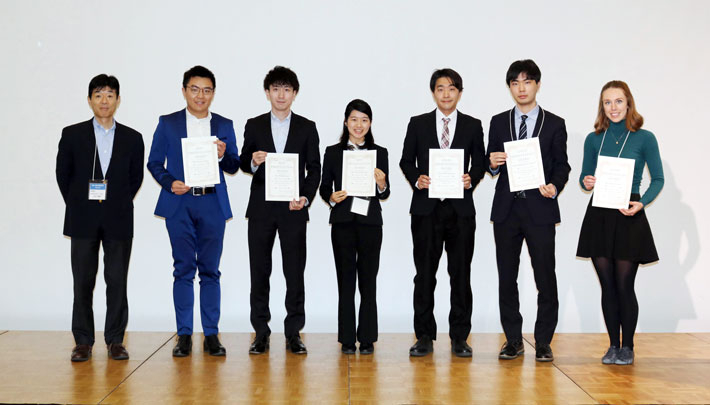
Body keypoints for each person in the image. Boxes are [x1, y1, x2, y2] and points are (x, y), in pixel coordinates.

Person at [147, 65, 239, 357]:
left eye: (207, 90)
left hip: (211, 202)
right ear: (184, 90)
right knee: (183, 269)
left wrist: (224, 156)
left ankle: (211, 335)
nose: (201, 95)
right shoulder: (168, 123)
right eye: (195, 89)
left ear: (213, 93)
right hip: (180, 204)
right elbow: (154, 163)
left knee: (211, 271)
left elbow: (235, 165)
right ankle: (184, 334)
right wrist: (169, 182)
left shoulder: (224, 124)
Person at [56, 74, 144, 362]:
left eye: (110, 94)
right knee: (82, 280)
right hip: (83, 218)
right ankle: (83, 341)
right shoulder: (72, 134)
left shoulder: (133, 138)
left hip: (118, 218)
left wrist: (115, 201)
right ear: (89, 100)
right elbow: (63, 175)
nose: (104, 100)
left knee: (117, 280)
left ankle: (115, 340)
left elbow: (135, 178)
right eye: (98, 94)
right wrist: (80, 203)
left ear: (118, 99)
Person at [487, 59, 570, 362]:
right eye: (515, 83)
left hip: (540, 208)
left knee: (545, 275)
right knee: (507, 277)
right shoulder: (498, 122)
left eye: (527, 82)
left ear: (537, 84)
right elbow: (490, 161)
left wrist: (555, 185)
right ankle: (513, 339)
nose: (521, 88)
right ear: (510, 87)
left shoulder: (555, 123)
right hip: (507, 210)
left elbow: (562, 165)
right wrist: (491, 163)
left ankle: (544, 340)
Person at [399, 68, 486, 357]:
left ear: (459, 93)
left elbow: (480, 162)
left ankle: (459, 337)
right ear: (433, 92)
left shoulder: (473, 125)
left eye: (451, 89)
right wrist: (417, 179)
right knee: (424, 275)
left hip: (461, 211)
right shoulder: (418, 123)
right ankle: (423, 335)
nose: (445, 94)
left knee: (460, 275)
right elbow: (405, 161)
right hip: (426, 210)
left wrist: (471, 178)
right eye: (440, 88)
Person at [577, 80, 663, 365]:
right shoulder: (594, 138)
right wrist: (586, 181)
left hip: (629, 213)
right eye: (607, 102)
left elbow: (659, 179)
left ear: (628, 103)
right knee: (608, 286)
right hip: (600, 214)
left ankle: (628, 347)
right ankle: (613, 345)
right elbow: (584, 177)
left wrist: (642, 202)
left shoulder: (645, 137)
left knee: (625, 285)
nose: (612, 108)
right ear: (602, 106)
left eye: (618, 101)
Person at [240, 66, 321, 355]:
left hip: (293, 209)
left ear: (295, 93)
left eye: (287, 89)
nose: (281, 94)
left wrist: (306, 198)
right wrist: (253, 161)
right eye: (276, 89)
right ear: (267, 92)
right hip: (261, 208)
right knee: (259, 271)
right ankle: (260, 332)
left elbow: (315, 170)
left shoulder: (307, 126)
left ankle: (293, 332)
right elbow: (241, 161)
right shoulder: (254, 124)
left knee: (294, 271)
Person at [320, 99, 390, 355]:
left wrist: (382, 183)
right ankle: (347, 339)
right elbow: (324, 186)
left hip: (371, 223)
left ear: (370, 123)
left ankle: (368, 338)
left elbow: (384, 193)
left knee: (368, 282)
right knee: (346, 282)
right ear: (346, 122)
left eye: (364, 120)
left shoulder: (380, 152)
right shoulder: (332, 151)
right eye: (354, 119)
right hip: (343, 224)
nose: (359, 125)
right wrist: (331, 197)